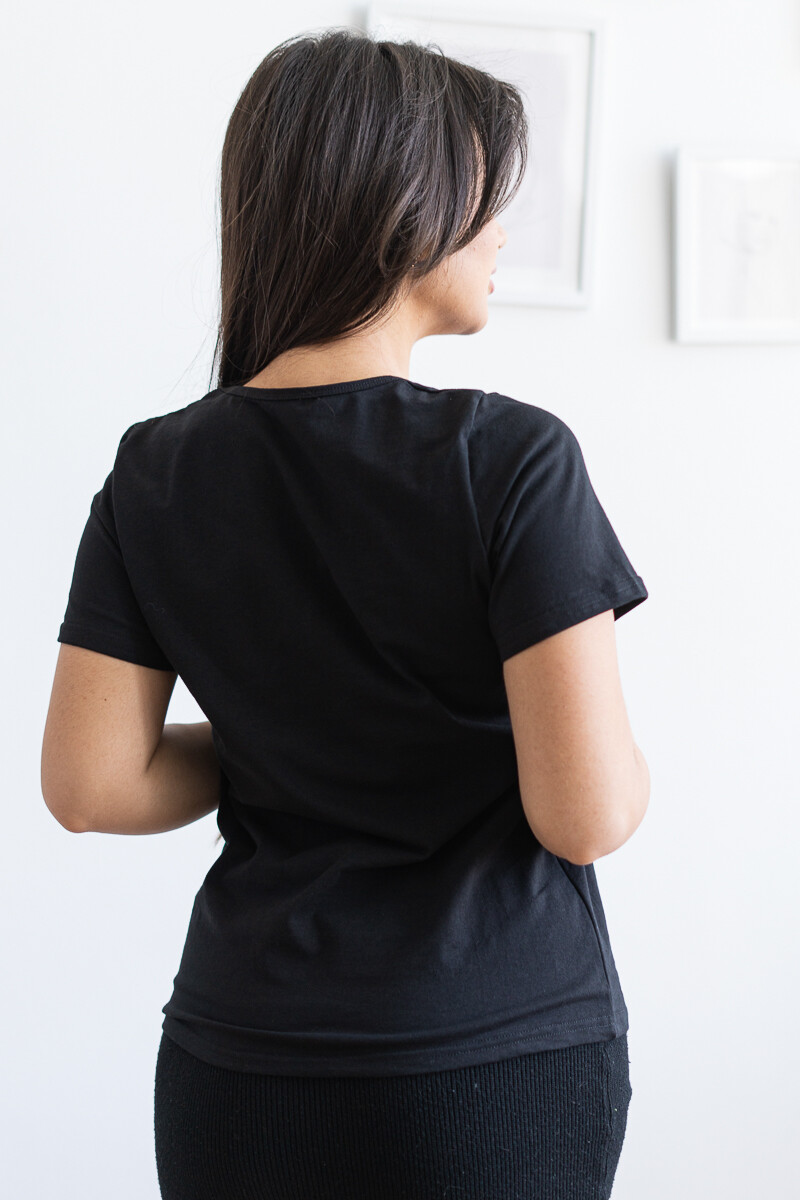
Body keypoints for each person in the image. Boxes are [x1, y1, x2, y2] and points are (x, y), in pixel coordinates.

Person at [41, 27, 650, 1200]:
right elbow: (585, 813)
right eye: (486, 195)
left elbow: (93, 786)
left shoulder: (154, 471)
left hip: (239, 1064)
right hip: (487, 1057)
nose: (500, 231)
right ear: (403, 206)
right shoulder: (510, 458)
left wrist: (291, 736)